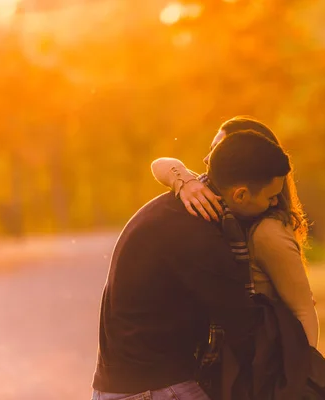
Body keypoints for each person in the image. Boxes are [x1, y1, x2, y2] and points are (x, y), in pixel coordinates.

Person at [91, 131, 292, 400]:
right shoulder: (203, 238)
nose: (276, 202)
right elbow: (245, 330)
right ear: (241, 195)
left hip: (127, 385)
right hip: (150, 390)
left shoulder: (184, 205)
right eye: (270, 197)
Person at [151, 116, 319, 348]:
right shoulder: (217, 199)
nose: (207, 158)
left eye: (219, 148)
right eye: (212, 149)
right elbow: (159, 164)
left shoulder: (267, 230)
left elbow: (303, 309)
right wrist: (184, 181)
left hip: (264, 353)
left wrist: (306, 374)